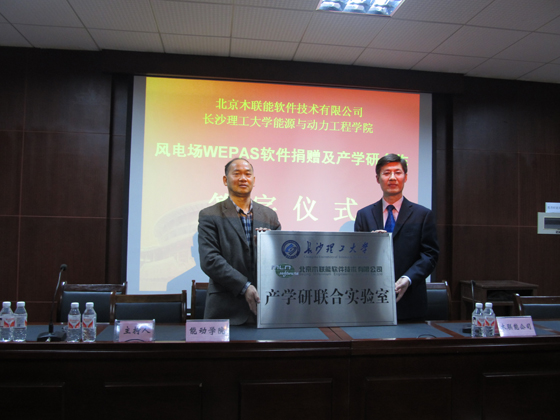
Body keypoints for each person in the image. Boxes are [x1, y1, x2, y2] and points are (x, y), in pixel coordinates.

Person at [354, 154, 439, 320]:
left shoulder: (423, 215)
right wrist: (369, 244)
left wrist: (408, 278)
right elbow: (356, 255)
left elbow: (430, 255)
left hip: (411, 299)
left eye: (397, 173)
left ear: (405, 177)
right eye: (386, 173)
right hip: (372, 298)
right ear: (378, 179)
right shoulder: (364, 215)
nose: (392, 178)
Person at [198, 158, 281, 325]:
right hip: (225, 310)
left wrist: (266, 248)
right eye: (236, 174)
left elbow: (279, 259)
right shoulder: (210, 215)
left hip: (264, 309)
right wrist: (245, 286)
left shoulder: (269, 216)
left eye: (247, 174)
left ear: (254, 180)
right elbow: (210, 260)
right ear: (225, 180)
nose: (243, 178)